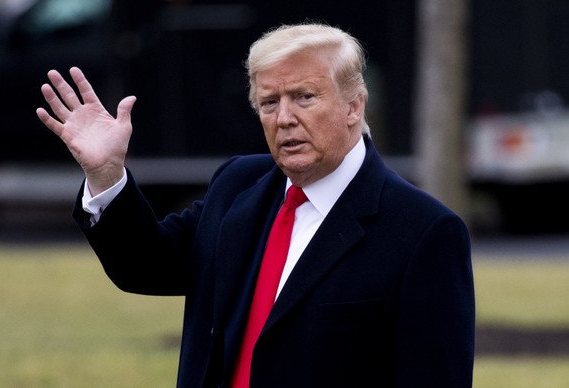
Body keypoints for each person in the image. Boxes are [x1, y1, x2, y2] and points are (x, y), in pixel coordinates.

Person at [36, 22, 475, 388]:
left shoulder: (423, 231)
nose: (284, 117)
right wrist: (106, 174)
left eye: (304, 96)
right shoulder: (238, 185)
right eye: (269, 102)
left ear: (353, 107)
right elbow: (147, 265)